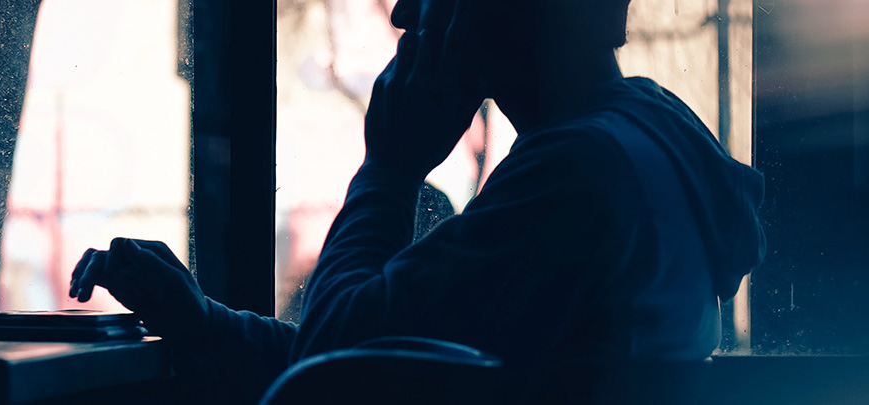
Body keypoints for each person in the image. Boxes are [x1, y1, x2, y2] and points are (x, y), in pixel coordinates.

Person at [70, 0, 766, 402]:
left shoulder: (577, 175)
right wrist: (206, 324)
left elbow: (333, 373)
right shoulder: (638, 142)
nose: (406, 12)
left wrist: (390, 168)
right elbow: (381, 343)